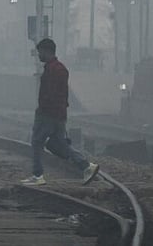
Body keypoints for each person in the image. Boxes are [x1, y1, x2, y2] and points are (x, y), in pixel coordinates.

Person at [20, 38, 99, 186]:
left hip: (47, 115)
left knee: (37, 142)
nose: (39, 55)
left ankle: (37, 175)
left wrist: (42, 109)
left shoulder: (52, 70)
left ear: (46, 51)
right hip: (59, 114)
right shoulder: (60, 68)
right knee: (61, 145)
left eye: (40, 52)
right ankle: (87, 166)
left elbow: (50, 94)